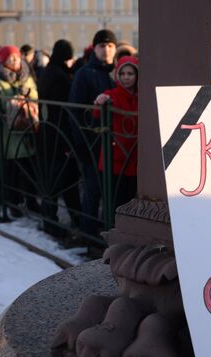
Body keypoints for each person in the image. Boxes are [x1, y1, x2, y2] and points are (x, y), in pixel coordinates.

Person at [68, 29, 117, 238]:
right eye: (102, 46)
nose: (106, 50)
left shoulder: (121, 72)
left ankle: (110, 230)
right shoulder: (85, 74)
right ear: (94, 48)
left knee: (113, 190)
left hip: (117, 143)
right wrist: (81, 144)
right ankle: (88, 232)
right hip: (93, 142)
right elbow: (75, 110)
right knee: (93, 189)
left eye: (110, 46)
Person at [37, 39, 82, 238]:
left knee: (53, 179)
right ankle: (66, 221)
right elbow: (64, 110)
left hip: (47, 131)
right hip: (59, 134)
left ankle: (51, 219)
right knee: (64, 178)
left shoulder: (48, 72)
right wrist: (68, 141)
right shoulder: (61, 76)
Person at [0, 45, 39, 218]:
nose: (14, 61)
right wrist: (13, 100)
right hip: (9, 131)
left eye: (16, 57)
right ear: (3, 60)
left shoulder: (26, 77)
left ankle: (32, 200)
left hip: (26, 128)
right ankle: (13, 203)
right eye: (10, 58)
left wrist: (27, 99)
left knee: (30, 167)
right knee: (14, 170)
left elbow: (35, 96)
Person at [94, 56, 139, 209]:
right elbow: (96, 114)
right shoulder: (111, 94)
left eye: (130, 73)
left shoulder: (142, 96)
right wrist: (101, 101)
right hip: (114, 160)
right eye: (122, 74)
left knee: (130, 204)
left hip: (134, 159)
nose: (126, 77)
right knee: (114, 204)